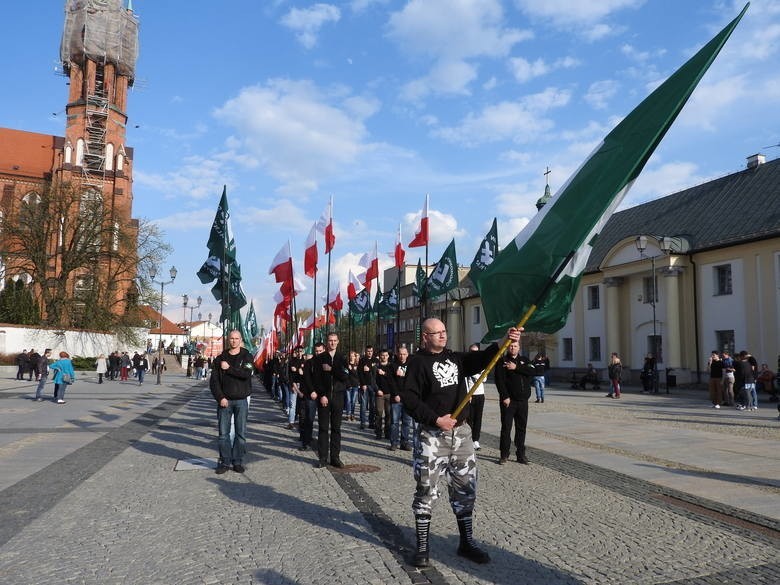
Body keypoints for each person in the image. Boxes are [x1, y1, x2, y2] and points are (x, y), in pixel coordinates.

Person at [398, 317, 521, 567]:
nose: (443, 336)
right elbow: (408, 398)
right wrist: (435, 419)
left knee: (465, 488)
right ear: (425, 336)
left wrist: (504, 342)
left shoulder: (455, 358)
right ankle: (422, 547)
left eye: (444, 331)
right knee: (425, 489)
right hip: (432, 436)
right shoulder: (417, 363)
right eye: (437, 333)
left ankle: (466, 542)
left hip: (461, 436)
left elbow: (482, 360)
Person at [209, 330, 254, 474]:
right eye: (231, 339)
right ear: (228, 340)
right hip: (225, 401)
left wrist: (229, 369)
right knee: (223, 434)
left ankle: (237, 461)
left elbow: (246, 375)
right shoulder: (220, 358)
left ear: (240, 340)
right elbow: (214, 381)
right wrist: (220, 397)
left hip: (241, 400)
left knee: (241, 433)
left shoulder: (247, 356)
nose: (234, 341)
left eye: (236, 339)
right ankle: (225, 461)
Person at [310, 332, 349, 468]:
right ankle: (322, 457)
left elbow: (345, 376)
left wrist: (332, 369)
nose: (332, 343)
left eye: (334, 340)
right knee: (323, 428)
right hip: (324, 397)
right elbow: (317, 379)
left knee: (336, 429)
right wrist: (322, 395)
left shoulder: (342, 358)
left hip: (338, 396)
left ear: (338, 342)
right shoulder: (320, 358)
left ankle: (335, 457)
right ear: (327, 342)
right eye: (330, 340)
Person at [494, 339, 536, 466]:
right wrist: (505, 396)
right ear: (507, 347)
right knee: (506, 428)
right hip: (509, 401)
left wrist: (516, 367)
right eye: (511, 346)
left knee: (521, 428)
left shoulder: (525, 360)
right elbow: (499, 381)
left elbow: (533, 371)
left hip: (523, 401)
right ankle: (504, 454)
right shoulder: (502, 361)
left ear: (519, 347)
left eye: (515, 346)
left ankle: (521, 454)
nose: (513, 348)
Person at [300, 343, 325, 451]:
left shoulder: (327, 362)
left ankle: (322, 442)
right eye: (316, 351)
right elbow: (307, 378)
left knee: (323, 421)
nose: (318, 353)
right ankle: (306, 442)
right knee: (309, 419)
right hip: (312, 395)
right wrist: (312, 391)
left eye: (320, 351)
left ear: (324, 350)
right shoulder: (309, 363)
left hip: (324, 395)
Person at [393, 345, 415, 451]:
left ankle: (404, 442)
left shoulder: (412, 366)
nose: (402, 356)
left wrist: (403, 375)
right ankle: (394, 442)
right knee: (395, 422)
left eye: (404, 354)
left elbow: (413, 381)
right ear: (397, 354)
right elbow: (391, 382)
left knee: (407, 422)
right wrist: (395, 394)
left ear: (407, 355)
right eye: (400, 354)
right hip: (396, 398)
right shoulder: (393, 366)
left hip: (408, 398)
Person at [464, 344, 485, 451]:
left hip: (480, 394)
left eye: (476, 352)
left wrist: (476, 374)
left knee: (478, 418)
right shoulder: (467, 364)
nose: (474, 353)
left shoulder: (480, 364)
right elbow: (465, 381)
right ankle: (469, 439)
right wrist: (468, 395)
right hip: (470, 395)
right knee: (470, 418)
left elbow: (484, 379)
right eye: (472, 351)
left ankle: (476, 440)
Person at [374, 349, 395, 441]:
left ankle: (388, 433)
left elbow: (393, 379)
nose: (384, 357)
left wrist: (384, 374)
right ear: (380, 356)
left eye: (386, 355)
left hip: (390, 394)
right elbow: (372, 381)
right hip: (380, 394)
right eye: (382, 355)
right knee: (379, 413)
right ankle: (378, 432)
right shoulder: (376, 367)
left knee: (389, 414)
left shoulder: (391, 366)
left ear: (388, 356)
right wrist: (377, 389)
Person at [358, 346, 377, 431]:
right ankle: (362, 423)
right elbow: (360, 373)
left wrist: (370, 368)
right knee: (363, 405)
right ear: (365, 352)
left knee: (372, 406)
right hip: (365, 385)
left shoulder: (376, 361)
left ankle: (371, 423)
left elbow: (376, 372)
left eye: (371, 351)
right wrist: (363, 384)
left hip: (373, 386)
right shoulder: (362, 360)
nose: (369, 352)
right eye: (368, 351)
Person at [345, 351, 360, 422]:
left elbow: (357, 376)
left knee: (353, 401)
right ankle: (348, 415)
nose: (351, 357)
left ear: (355, 356)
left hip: (355, 385)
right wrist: (348, 385)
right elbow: (345, 376)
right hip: (348, 385)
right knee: (348, 401)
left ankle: (352, 414)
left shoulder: (357, 365)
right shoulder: (346, 365)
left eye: (353, 356)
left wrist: (352, 370)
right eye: (350, 356)